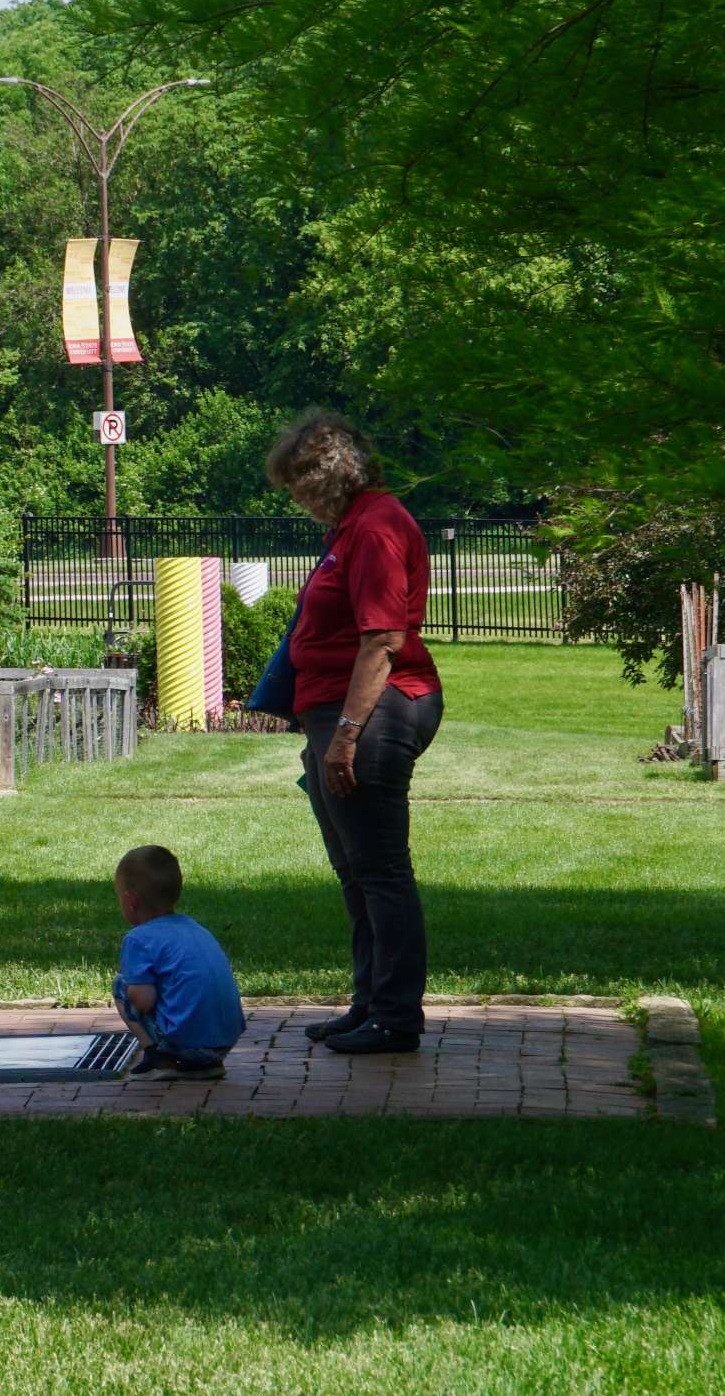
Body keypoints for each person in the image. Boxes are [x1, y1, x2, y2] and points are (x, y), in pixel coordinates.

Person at [267, 410, 443, 1056]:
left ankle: (396, 1016)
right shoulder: (353, 528)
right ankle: (369, 1002)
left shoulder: (376, 528)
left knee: (381, 870)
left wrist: (344, 735)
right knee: (355, 871)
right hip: (338, 714)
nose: (297, 500)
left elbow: (383, 638)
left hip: (374, 712)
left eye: (299, 485)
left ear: (328, 475)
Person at [112, 845, 246, 1080]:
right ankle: (206, 1066)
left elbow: (141, 1001)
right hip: (225, 1041)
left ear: (130, 901)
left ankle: (159, 1060)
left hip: (186, 1044)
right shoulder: (195, 928)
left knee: (122, 986)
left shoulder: (138, 939)